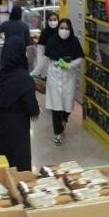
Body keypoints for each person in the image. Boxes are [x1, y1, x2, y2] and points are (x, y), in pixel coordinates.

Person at [0, 36, 40, 171]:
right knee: (19, 170)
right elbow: (32, 108)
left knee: (3, 167)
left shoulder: (1, 74)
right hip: (16, 129)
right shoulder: (24, 78)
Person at [41, 18, 84, 146]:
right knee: (57, 107)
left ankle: (64, 119)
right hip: (54, 76)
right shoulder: (52, 40)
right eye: (61, 28)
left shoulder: (74, 41)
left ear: (70, 29)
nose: (64, 30)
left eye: (66, 28)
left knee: (68, 106)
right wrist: (37, 72)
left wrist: (69, 65)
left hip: (68, 77)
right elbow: (46, 58)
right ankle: (57, 133)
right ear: (58, 28)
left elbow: (80, 58)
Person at [31, 12, 59, 78]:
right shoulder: (45, 32)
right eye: (50, 20)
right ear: (47, 21)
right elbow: (40, 50)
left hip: (59, 65)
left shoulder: (60, 32)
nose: (53, 22)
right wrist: (41, 64)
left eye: (55, 20)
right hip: (46, 65)